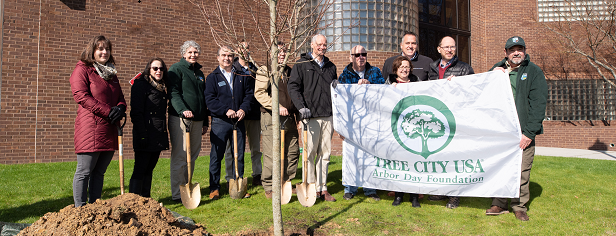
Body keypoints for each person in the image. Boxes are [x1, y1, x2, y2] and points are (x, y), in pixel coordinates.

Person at [485, 36, 547, 221]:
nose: (516, 52)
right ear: (506, 53)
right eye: (512, 50)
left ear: (525, 51)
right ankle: (499, 203)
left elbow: (539, 104)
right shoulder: (498, 69)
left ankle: (519, 206)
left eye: (520, 49)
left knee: (521, 170)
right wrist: (490, 77)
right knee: (500, 167)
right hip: (501, 132)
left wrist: (529, 133)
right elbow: (482, 93)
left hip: (522, 131)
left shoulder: (533, 72)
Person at [70, 35, 126, 207]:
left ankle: (94, 206)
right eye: (100, 48)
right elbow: (81, 96)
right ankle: (80, 209)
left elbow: (120, 97)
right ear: (92, 51)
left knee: (99, 172)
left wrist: (121, 108)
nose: (104, 52)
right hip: (90, 128)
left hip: (109, 128)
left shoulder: (110, 73)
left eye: (107, 49)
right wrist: (109, 111)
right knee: (84, 171)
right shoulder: (83, 69)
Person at [425, 36, 474, 209]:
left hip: (455, 119)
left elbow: (472, 93)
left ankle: (454, 196)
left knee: (454, 158)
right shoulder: (431, 68)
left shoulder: (465, 69)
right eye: (446, 47)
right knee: (439, 156)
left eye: (452, 47)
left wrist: (459, 86)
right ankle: (440, 190)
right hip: (437, 118)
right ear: (439, 49)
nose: (449, 50)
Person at [288, 34, 338, 202]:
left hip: (327, 116)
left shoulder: (331, 66)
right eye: (319, 44)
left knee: (325, 154)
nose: (322, 47)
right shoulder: (301, 64)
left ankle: (322, 188)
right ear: (311, 45)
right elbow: (293, 87)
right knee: (309, 153)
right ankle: (310, 185)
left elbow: (334, 88)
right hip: (310, 117)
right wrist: (301, 107)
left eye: (324, 44)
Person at [204, 46, 254, 200]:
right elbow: (210, 100)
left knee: (237, 154)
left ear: (234, 58)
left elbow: (249, 95)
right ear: (218, 58)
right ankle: (214, 188)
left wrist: (243, 109)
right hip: (220, 121)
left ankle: (237, 183)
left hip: (238, 121)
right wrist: (225, 110)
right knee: (216, 155)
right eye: (223, 55)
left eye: (230, 55)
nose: (227, 58)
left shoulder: (241, 75)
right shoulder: (213, 77)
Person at [338, 45, 385, 201]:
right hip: (352, 123)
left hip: (371, 122)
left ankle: (370, 190)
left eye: (363, 54)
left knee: (370, 155)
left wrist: (370, 86)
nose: (360, 57)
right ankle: (350, 188)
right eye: (357, 55)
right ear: (351, 56)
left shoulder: (375, 72)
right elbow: (340, 102)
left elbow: (384, 93)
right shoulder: (344, 76)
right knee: (351, 155)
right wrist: (340, 127)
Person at [254, 41, 300, 199]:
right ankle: (269, 186)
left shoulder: (290, 71)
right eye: (279, 51)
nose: (282, 54)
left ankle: (286, 182)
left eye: (284, 51)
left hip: (290, 117)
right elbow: (259, 93)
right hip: (271, 117)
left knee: (292, 152)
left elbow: (296, 95)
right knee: (271, 154)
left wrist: (299, 116)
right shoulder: (265, 70)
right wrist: (276, 106)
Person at [167, 40, 209, 202]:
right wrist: (182, 110)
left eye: (196, 52)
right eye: (190, 52)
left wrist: (205, 121)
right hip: (180, 119)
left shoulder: (199, 73)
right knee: (180, 155)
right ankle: (178, 193)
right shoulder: (176, 69)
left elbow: (203, 99)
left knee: (193, 155)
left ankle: (187, 186)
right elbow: (173, 92)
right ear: (183, 54)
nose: (193, 55)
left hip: (197, 120)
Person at [224, 40, 263, 187]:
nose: (244, 51)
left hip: (253, 114)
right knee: (232, 149)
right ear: (237, 50)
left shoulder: (255, 69)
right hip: (236, 115)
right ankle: (231, 177)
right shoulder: (231, 67)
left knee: (255, 148)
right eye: (242, 48)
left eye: (247, 48)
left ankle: (257, 175)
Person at [129, 58, 170, 198]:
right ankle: (134, 199)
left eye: (161, 69)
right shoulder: (141, 85)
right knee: (140, 168)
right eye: (155, 68)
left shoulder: (161, 87)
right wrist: (142, 134)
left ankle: (145, 200)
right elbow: (136, 112)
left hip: (157, 134)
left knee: (150, 168)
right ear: (149, 69)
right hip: (145, 133)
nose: (158, 71)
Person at [386, 56, 421, 207]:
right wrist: (390, 90)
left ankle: (414, 196)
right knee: (399, 163)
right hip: (397, 129)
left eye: (407, 66)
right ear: (396, 70)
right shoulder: (389, 84)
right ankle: (398, 195)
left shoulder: (418, 84)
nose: (404, 69)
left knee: (413, 162)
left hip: (414, 128)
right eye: (401, 67)